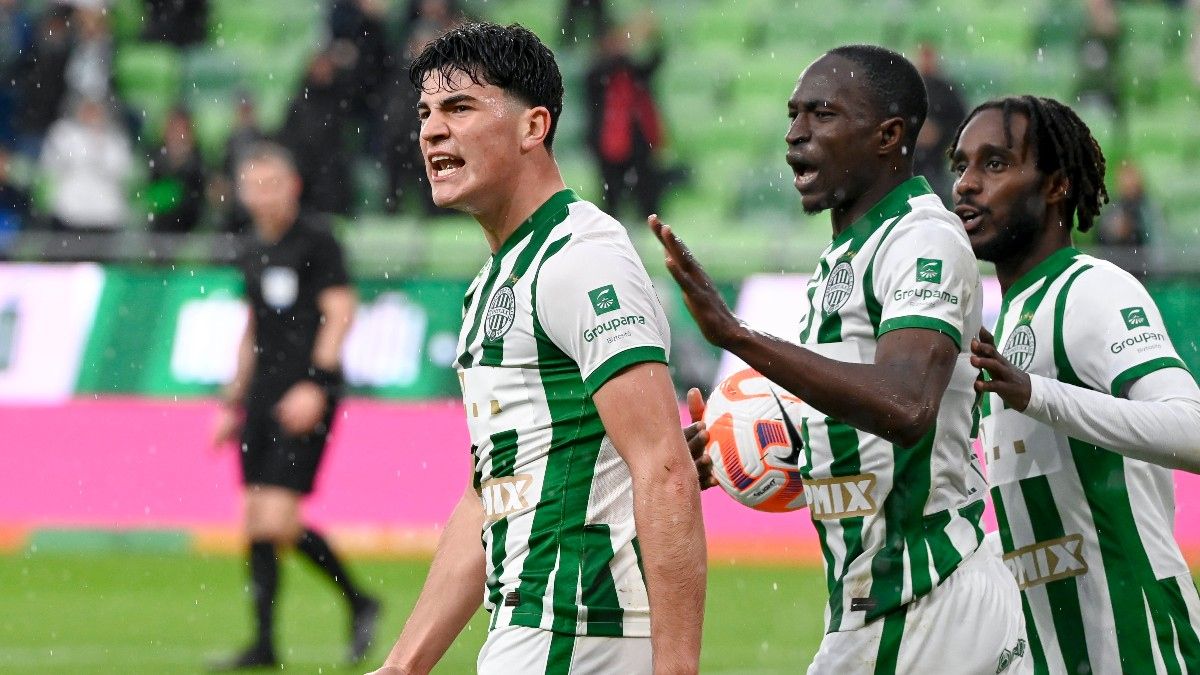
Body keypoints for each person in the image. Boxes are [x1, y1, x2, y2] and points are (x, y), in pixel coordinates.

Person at [653, 44, 1027, 673]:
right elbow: (863, 433)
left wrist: (738, 338)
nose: (796, 136)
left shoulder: (922, 238)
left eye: (822, 116)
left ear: (889, 136)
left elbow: (905, 406)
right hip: (881, 608)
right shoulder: (844, 260)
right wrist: (739, 448)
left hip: (925, 602)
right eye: (793, 115)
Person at [369, 23, 706, 675]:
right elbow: (488, 494)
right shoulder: (490, 284)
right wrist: (404, 663)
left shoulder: (583, 259)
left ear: (533, 127)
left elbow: (664, 465)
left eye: (460, 108)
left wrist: (676, 667)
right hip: (528, 630)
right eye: (426, 113)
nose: (432, 130)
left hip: (580, 631)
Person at [950, 95, 1200, 674]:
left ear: (1058, 185)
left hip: (1140, 651)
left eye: (993, 164)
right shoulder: (1007, 319)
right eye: (960, 165)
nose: (965, 184)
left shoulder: (1091, 289)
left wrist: (1038, 394)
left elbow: (1192, 430)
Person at [210, 142, 380, 670]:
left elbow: (340, 311)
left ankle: (360, 601)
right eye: (252, 186)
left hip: (305, 390)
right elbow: (253, 327)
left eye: (271, 184)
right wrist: (232, 399)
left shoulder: (318, 240)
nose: (262, 196)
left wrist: (316, 383)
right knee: (256, 517)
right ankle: (264, 643)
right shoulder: (251, 246)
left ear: (293, 186)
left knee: (279, 519)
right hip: (262, 394)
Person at [584, 17, 667, 221]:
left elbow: (655, 61)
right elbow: (609, 68)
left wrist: (653, 37)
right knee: (611, 199)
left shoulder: (631, 71)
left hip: (635, 143)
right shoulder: (597, 73)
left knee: (645, 195)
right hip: (608, 143)